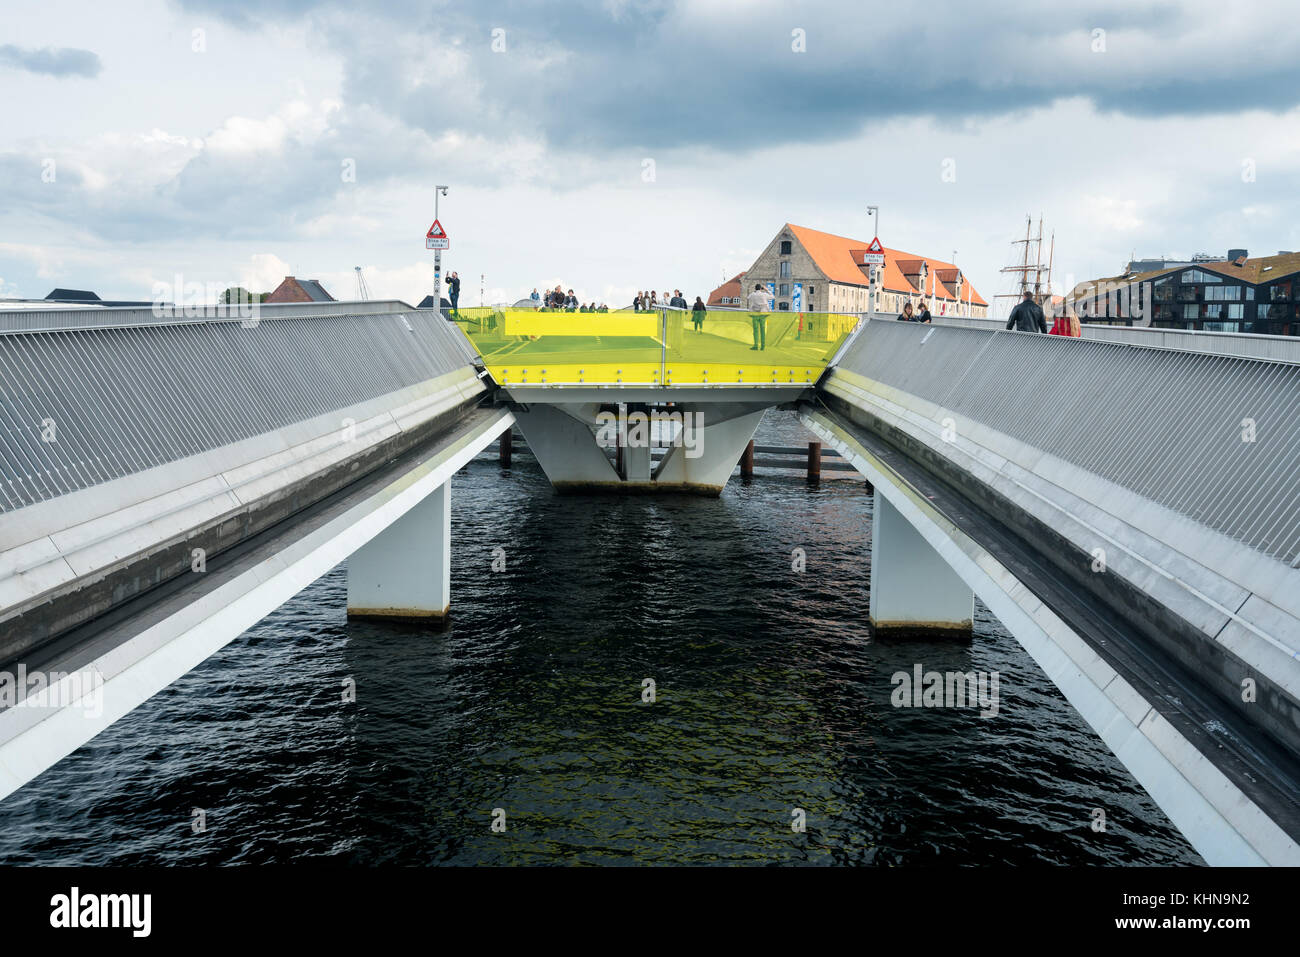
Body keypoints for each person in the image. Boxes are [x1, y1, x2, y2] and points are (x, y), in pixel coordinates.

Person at [746, 283, 770, 350]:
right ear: (760, 288)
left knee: (755, 331)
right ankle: (763, 346)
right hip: (763, 315)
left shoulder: (753, 294)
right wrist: (766, 290)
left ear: (755, 288)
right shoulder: (764, 294)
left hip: (755, 315)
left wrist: (755, 291)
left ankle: (756, 345)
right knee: (762, 331)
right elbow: (773, 297)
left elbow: (748, 297)